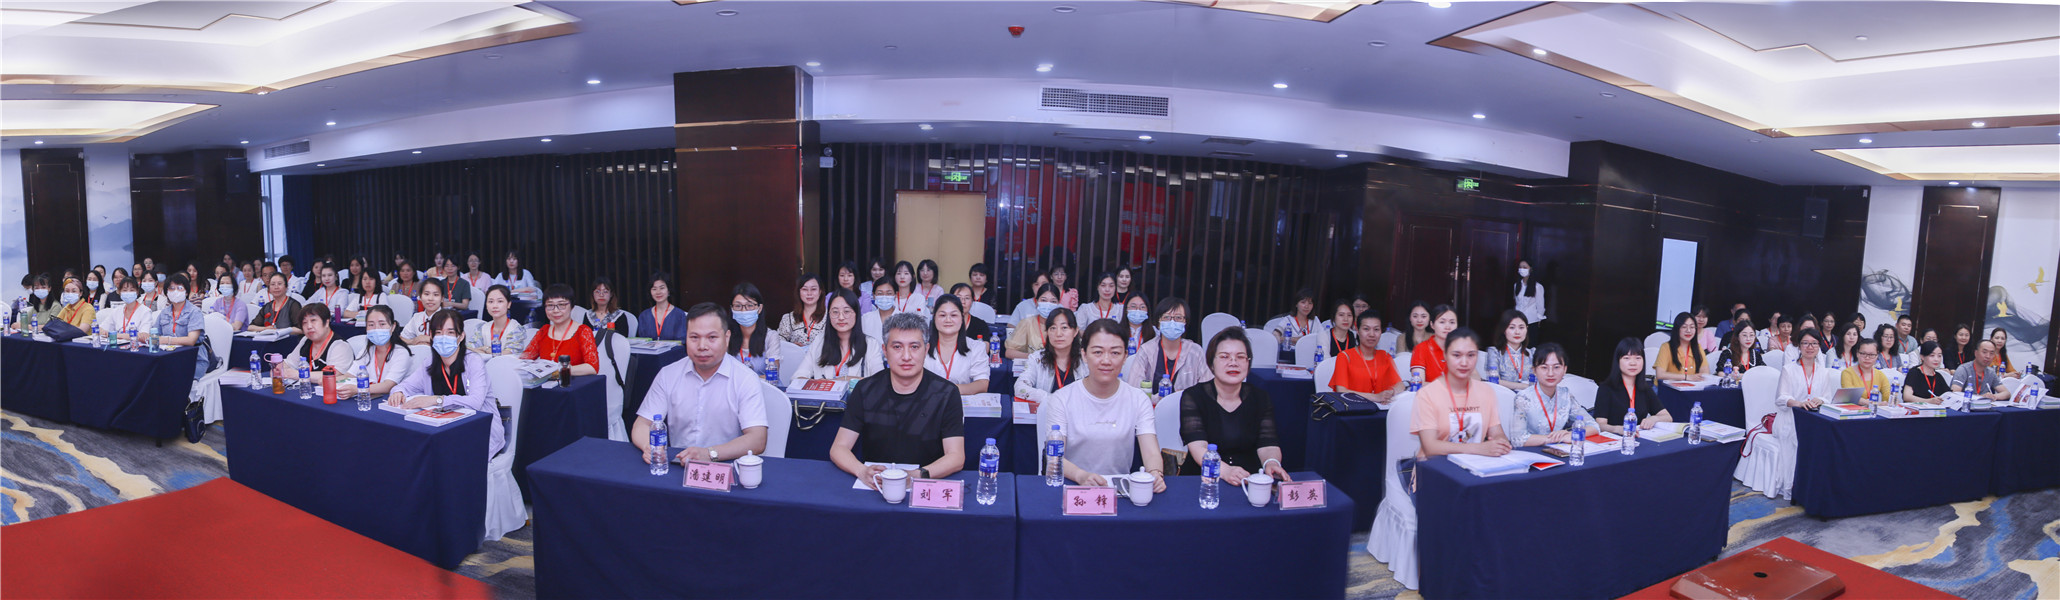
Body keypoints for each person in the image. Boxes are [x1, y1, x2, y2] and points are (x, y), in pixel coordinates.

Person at [831, 313, 966, 487]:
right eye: (897, 347)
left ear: (926, 349)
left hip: (925, 485)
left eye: (914, 347)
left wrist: (917, 476)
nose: (906, 356)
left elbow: (956, 457)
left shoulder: (946, 393)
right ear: (885, 350)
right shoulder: (865, 389)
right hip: (876, 485)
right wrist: (861, 471)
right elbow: (839, 448)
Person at [632, 302, 769, 465]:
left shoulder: (745, 378)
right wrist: (649, 447)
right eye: (694, 338)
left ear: (726, 338)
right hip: (679, 466)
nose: (702, 346)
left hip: (726, 468)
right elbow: (642, 424)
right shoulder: (668, 374)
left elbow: (757, 439)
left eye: (712, 338)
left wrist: (709, 454)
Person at [1046, 319, 1166, 490]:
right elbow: (1054, 458)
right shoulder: (1062, 399)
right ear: (1084, 355)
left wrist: (1155, 473)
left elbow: (1151, 451)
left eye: (1115, 353)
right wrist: (1081, 476)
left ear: (1125, 356)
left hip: (1119, 490)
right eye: (1098, 352)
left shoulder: (1138, 399)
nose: (1106, 360)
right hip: (1073, 487)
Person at [1177, 327, 1290, 483]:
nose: (1233, 363)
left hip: (1248, 479)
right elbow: (1198, 446)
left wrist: (1271, 463)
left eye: (1240, 357)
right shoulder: (1193, 396)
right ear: (1211, 363)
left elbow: (1268, 443)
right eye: (1224, 357)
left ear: (1248, 363)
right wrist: (1225, 471)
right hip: (1203, 480)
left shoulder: (1260, 397)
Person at [388, 309, 503, 456]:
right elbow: (406, 385)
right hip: (443, 430)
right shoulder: (430, 362)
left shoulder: (473, 361)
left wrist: (436, 400)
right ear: (431, 336)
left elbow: (475, 402)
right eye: (438, 332)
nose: (444, 337)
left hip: (477, 430)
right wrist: (398, 392)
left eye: (450, 332)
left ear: (461, 336)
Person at [1412, 327, 1511, 458]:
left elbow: (1496, 432)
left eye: (1471, 355)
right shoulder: (1427, 394)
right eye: (1456, 355)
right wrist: (1479, 448)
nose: (1464, 363)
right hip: (1436, 464)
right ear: (1445, 355)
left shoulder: (1487, 391)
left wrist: (1500, 442)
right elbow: (1430, 447)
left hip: (1476, 464)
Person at [1122, 297, 1211, 403]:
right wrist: (1159, 399)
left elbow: (1207, 389)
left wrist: (1185, 397)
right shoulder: (1146, 350)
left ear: (1185, 322)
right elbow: (1134, 390)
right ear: (1159, 322)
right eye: (1167, 317)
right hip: (1152, 409)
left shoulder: (1195, 352)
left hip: (1186, 409)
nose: (1172, 322)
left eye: (1178, 318)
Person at [786, 290, 883, 385]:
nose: (841, 317)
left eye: (846, 311)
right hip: (824, 396)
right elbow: (796, 378)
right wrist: (817, 383)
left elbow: (880, 382)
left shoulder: (870, 344)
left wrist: (845, 379)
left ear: (856, 314)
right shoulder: (820, 341)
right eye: (835, 312)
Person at [1508, 343, 1590, 447]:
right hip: (1531, 451)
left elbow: (1593, 425)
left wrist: (1570, 434)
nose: (1550, 373)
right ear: (1534, 370)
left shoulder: (1565, 395)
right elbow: (1517, 439)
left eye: (1556, 367)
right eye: (1544, 367)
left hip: (1558, 449)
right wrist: (1554, 438)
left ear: (1564, 369)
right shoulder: (1523, 398)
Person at [1594, 337, 1672, 434]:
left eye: (1638, 358)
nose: (1633, 363)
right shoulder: (1606, 388)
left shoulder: (1645, 388)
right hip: (1614, 438)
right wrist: (1617, 429)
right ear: (1618, 361)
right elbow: (1600, 425)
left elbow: (1668, 417)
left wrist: (1653, 419)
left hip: (1638, 438)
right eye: (1626, 358)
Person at [522, 284, 600, 376]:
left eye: (561, 305)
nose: (555, 310)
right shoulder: (544, 331)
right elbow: (525, 359)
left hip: (573, 383)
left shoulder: (583, 331)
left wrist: (561, 370)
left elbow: (592, 367)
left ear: (572, 306)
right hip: (547, 383)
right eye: (550, 305)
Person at [1328, 310, 1404, 401]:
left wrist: (1391, 392)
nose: (1372, 334)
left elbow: (1400, 385)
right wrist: (1375, 397)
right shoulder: (1345, 356)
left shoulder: (1385, 356)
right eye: (1366, 329)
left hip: (1380, 407)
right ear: (1357, 330)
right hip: (1353, 406)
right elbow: (1341, 391)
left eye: (1376, 329)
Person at [1014, 307, 1081, 407]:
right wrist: (1051, 398)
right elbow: (1020, 387)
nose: (1058, 334)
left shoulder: (1086, 359)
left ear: (1075, 331)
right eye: (1053, 328)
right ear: (1047, 332)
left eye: (1064, 328)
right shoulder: (1037, 358)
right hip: (1048, 413)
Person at [924, 295, 990, 394]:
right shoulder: (921, 347)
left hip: (962, 401)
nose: (948, 320)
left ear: (962, 318)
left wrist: (947, 390)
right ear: (934, 318)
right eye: (942, 315)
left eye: (954, 315)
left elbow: (982, 384)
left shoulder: (976, 347)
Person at [277, 304, 354, 383]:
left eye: (313, 320)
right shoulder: (305, 340)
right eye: (304, 322)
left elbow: (333, 375)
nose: (309, 326)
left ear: (326, 322)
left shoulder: (340, 346)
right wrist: (279, 369)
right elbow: (288, 363)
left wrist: (298, 374)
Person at [349, 306, 414, 399]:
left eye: (382, 324)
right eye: (371, 325)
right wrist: (332, 380)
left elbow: (388, 386)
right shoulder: (368, 350)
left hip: (393, 401)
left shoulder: (401, 353)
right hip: (371, 399)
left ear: (393, 326)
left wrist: (357, 389)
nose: (376, 329)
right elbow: (349, 375)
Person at [724, 282, 787, 366]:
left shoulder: (770, 336)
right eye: (738, 306)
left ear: (759, 308)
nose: (743, 310)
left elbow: (773, 371)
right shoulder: (726, 335)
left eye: (749, 305)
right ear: (732, 309)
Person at [1776, 328, 1837, 413]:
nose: (1810, 347)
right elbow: (1781, 398)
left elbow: (1827, 398)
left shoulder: (1823, 372)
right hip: (1792, 415)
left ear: (1819, 347)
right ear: (1799, 346)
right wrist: (1799, 404)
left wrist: (1821, 400)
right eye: (1805, 343)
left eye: (1814, 343)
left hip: (1814, 415)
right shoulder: (1788, 370)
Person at [1005, 284, 1063, 359]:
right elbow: (1009, 353)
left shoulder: (1064, 325)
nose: (1048, 304)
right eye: (1043, 300)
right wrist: (1034, 357)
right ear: (1036, 302)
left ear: (1058, 304)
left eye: (1053, 301)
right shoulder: (1027, 323)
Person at [471, 285, 529, 357]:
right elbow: (469, 349)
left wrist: (485, 349)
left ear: (509, 304)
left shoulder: (515, 328)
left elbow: (508, 354)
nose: (495, 306)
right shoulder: (482, 328)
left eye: (500, 301)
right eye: (491, 301)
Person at [1480, 309, 1532, 390]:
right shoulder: (1494, 352)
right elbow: (1494, 381)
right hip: (1503, 395)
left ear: (1527, 329)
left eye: (1521, 327)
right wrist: (1525, 386)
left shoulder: (1532, 353)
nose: (1517, 332)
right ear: (1504, 330)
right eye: (1512, 327)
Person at [1409, 304, 1459, 383]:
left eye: (1452, 322)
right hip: (1431, 391)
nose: (1447, 327)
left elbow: (1475, 378)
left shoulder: (1461, 348)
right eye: (1442, 322)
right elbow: (1419, 383)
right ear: (1432, 325)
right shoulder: (1421, 349)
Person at [775, 273, 826, 348]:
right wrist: (791, 346)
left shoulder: (830, 317)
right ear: (799, 292)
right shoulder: (788, 318)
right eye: (805, 289)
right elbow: (778, 341)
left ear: (820, 291)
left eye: (813, 289)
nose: (809, 293)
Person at [1655, 311, 1708, 382]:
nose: (1688, 330)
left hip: (1690, 386)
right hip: (1667, 386)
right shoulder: (1666, 347)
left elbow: (1705, 372)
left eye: (1692, 327)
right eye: (1684, 327)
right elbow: (1660, 374)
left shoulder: (1698, 347)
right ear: (1677, 329)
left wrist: (1701, 377)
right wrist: (1686, 377)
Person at [1838, 339, 1893, 405]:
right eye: (1863, 354)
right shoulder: (1847, 373)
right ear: (1857, 354)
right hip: (1853, 410)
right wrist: (1874, 404)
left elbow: (1889, 397)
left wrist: (1891, 401)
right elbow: (1850, 397)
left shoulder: (1880, 375)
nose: (1867, 358)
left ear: (1877, 356)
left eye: (1871, 355)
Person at [633, 273, 686, 341]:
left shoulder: (679, 315)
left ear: (669, 290)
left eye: (662, 288)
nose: (658, 292)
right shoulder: (644, 316)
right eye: (654, 289)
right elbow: (642, 341)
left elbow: (682, 342)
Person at [401, 278, 450, 346]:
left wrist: (429, 339)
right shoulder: (417, 317)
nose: (430, 299)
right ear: (420, 297)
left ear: (442, 298)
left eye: (436, 295)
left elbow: (453, 342)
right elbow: (402, 338)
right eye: (426, 294)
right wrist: (413, 341)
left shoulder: (449, 318)